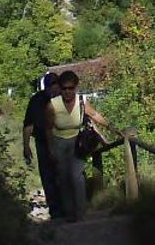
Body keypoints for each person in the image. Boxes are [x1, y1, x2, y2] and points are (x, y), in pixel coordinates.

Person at [45, 69, 111, 221]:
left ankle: (81, 213)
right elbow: (48, 129)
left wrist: (111, 128)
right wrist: (50, 149)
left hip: (77, 141)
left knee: (77, 177)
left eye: (71, 88)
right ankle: (69, 212)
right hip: (59, 142)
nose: (67, 92)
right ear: (60, 89)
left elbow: (94, 115)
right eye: (64, 88)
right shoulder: (52, 105)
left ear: (75, 87)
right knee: (64, 177)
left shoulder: (81, 101)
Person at [22, 72, 62, 219]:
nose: (54, 87)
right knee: (48, 176)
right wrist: (26, 146)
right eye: (51, 84)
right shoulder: (36, 100)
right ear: (46, 85)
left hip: (62, 140)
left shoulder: (64, 98)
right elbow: (28, 125)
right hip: (42, 142)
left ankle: (66, 207)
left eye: (56, 83)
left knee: (63, 174)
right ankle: (55, 211)